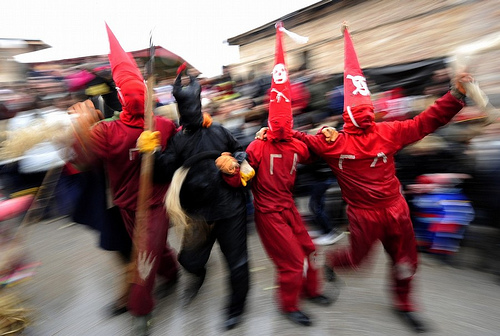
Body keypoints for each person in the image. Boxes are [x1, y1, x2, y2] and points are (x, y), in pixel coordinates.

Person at [258, 22, 473, 333]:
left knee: (406, 261)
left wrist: (455, 96)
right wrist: (273, 133)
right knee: (357, 261)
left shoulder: (389, 131)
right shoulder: (334, 142)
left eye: (367, 107)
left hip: (396, 209)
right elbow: (298, 138)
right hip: (363, 215)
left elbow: (427, 121)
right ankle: (333, 262)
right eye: (359, 110)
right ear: (347, 112)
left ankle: (405, 304)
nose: (366, 113)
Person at [71, 24, 179, 336]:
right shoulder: (108, 130)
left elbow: (181, 146)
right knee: (151, 250)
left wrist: (197, 123)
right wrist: (81, 126)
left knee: (144, 258)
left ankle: (141, 311)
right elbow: (83, 158)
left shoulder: (160, 124)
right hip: (126, 206)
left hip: (155, 205)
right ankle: (172, 272)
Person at [141, 62, 250, 331]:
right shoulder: (178, 140)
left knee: (237, 262)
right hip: (197, 214)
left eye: (193, 108)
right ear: (180, 112)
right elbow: (162, 172)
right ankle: (199, 274)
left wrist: (235, 160)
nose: (190, 113)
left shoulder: (219, 130)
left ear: (199, 107)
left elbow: (241, 151)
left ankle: (236, 308)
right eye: (185, 110)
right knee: (188, 261)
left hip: (229, 209)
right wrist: (152, 152)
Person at [244, 22, 333, 327]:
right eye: (277, 121)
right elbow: (240, 178)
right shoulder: (256, 146)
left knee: (311, 250)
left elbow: (315, 150)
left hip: (289, 208)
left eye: (288, 120)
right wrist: (233, 168)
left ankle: (313, 290)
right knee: (292, 261)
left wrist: (324, 134)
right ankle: (288, 305)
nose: (282, 126)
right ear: (269, 119)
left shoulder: (296, 143)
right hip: (268, 213)